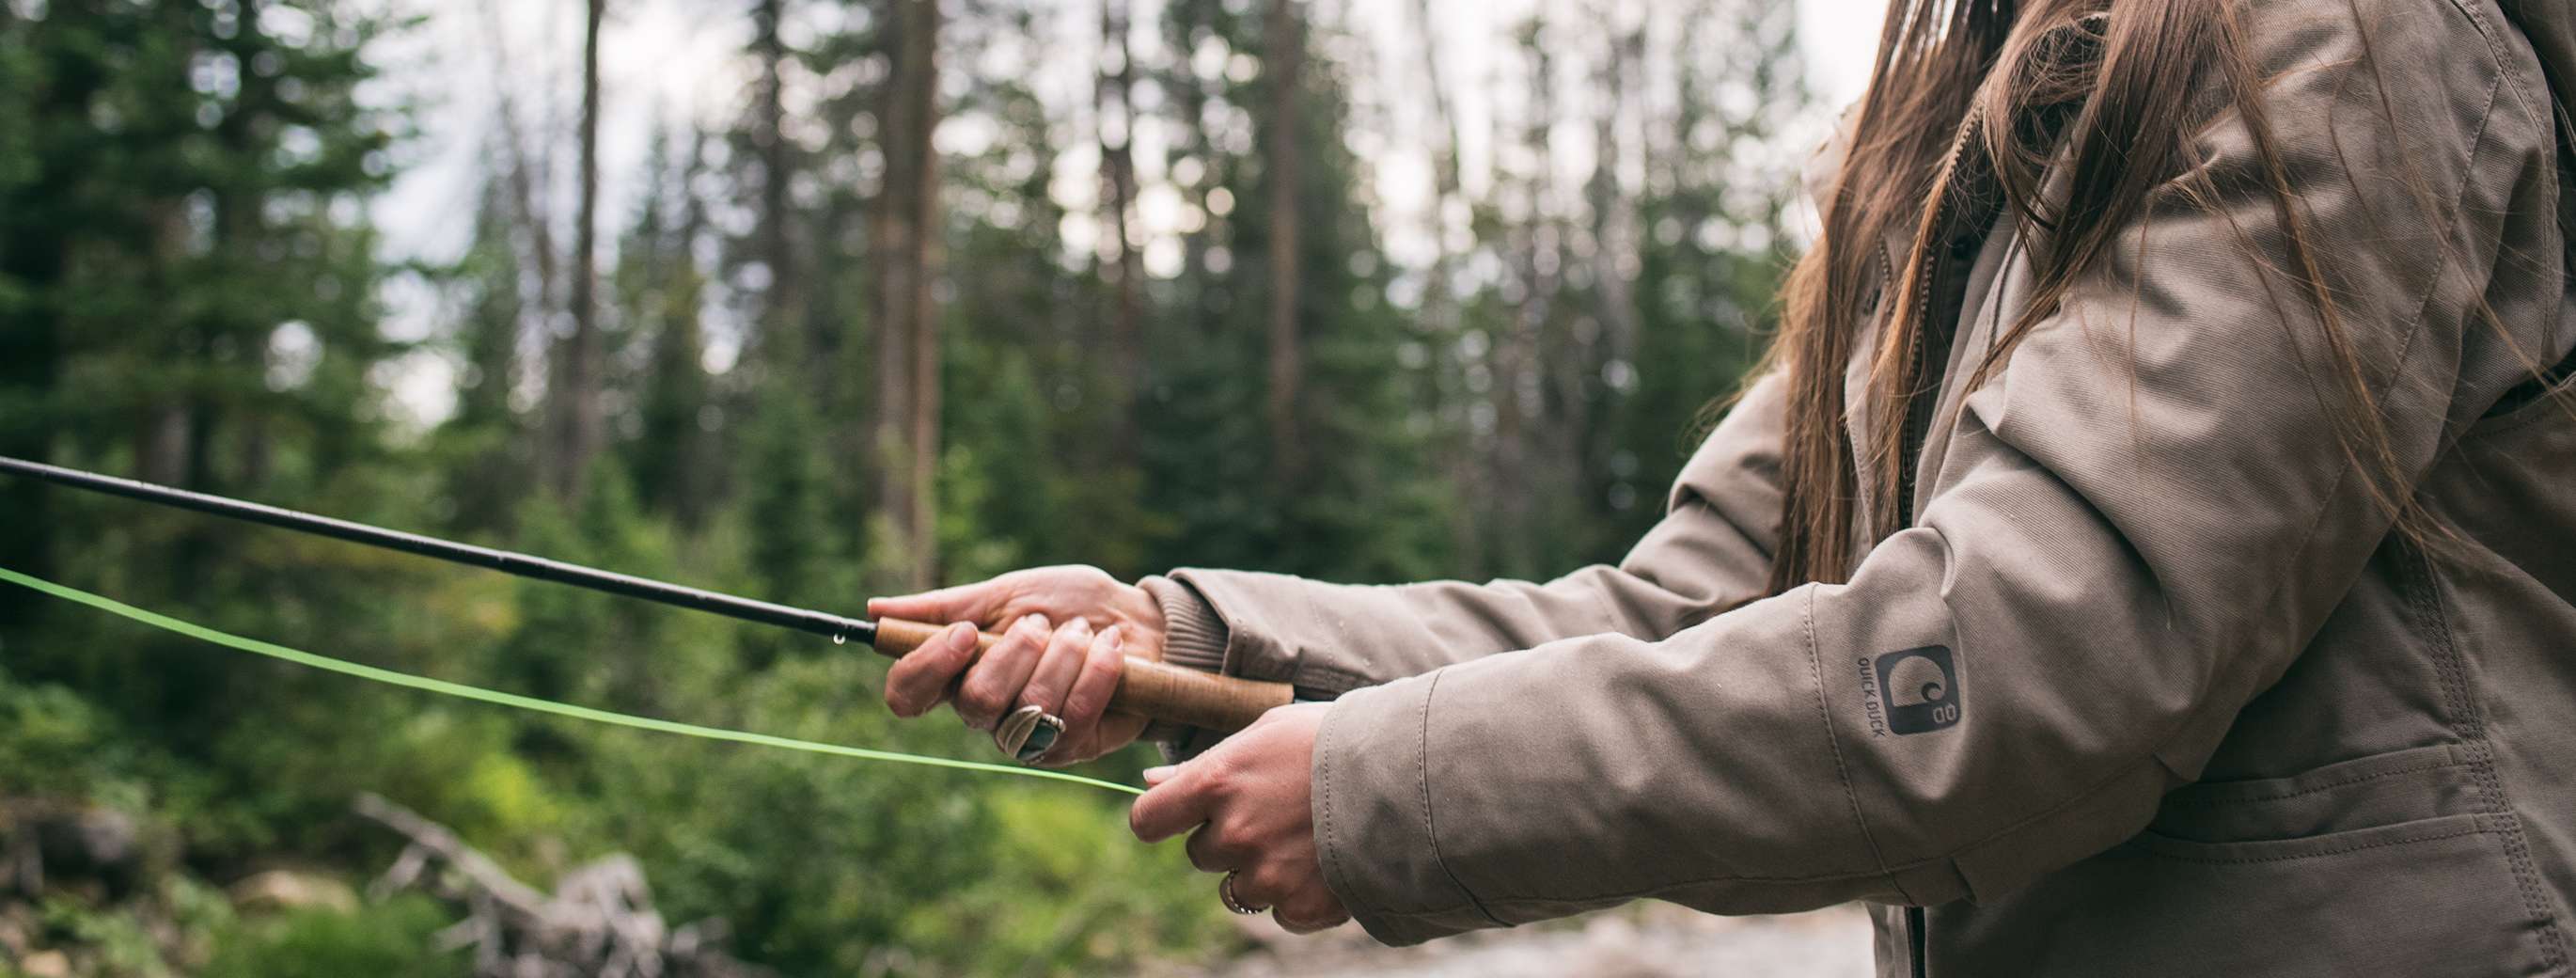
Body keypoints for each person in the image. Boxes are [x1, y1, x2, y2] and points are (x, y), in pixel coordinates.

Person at [871, 0, 2576, 973]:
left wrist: (1381, 788)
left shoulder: (2342, 39)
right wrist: (1190, 632)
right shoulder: (1948, 131)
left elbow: (2038, 661)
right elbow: (1685, 613)